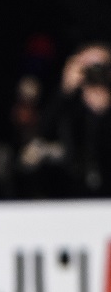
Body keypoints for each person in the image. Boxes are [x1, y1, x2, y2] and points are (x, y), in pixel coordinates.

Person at [42, 42, 111, 197]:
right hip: (71, 192)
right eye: (88, 67)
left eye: (102, 67)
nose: (96, 73)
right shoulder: (68, 104)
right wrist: (65, 90)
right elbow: (43, 132)